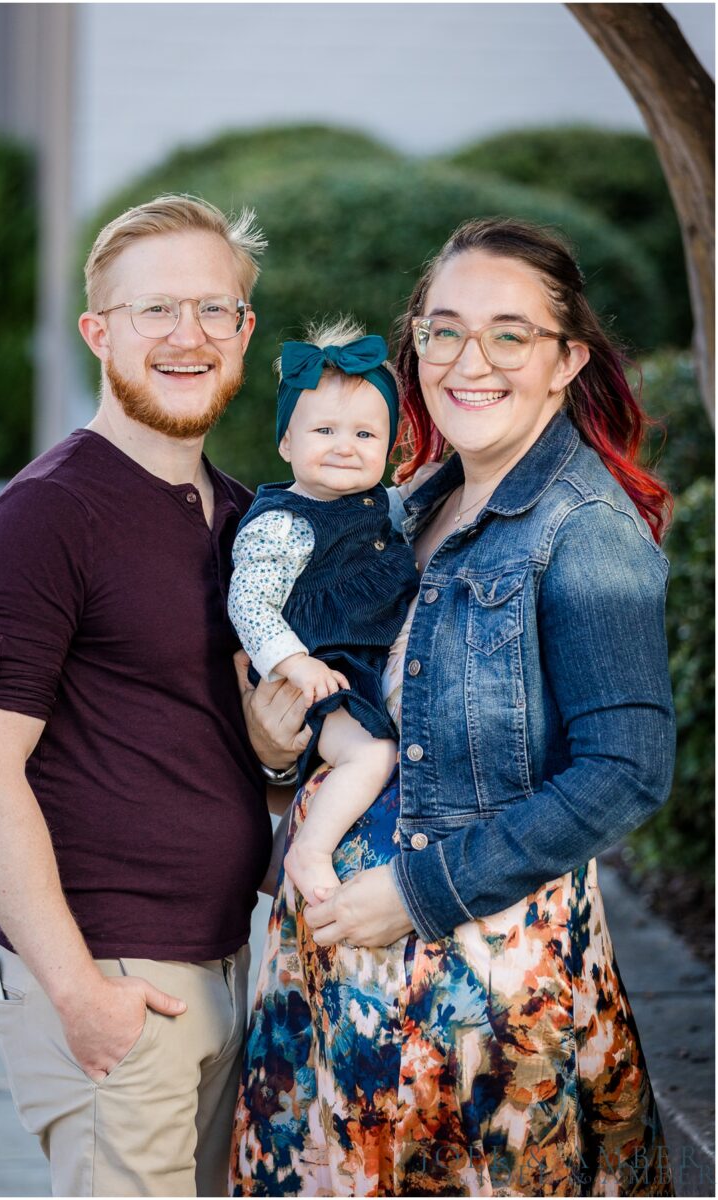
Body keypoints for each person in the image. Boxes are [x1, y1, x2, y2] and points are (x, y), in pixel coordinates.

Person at [232, 217, 676, 1196]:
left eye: (509, 334)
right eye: (443, 330)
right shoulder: (402, 508)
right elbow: (341, 714)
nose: (469, 361)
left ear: (565, 361)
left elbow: (626, 771)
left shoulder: (583, 530)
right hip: (342, 974)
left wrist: (416, 895)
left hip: (480, 997)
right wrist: (274, 754)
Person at [0, 194, 285, 1198]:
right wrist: (79, 993)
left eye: (214, 310)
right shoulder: (42, 519)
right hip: (118, 982)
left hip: (226, 970)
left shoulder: (242, 518)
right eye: (154, 312)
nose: (188, 336)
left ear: (244, 332)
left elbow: (225, 743)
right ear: (98, 332)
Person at [228, 319, 418, 905]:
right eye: (325, 430)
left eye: (365, 434)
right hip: (312, 676)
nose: (344, 445)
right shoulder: (284, 524)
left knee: (358, 762)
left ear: (388, 451)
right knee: (371, 755)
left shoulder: (381, 510)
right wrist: (295, 663)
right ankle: (305, 851)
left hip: (352, 668)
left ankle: (284, 850)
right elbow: (249, 602)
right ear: (286, 442)